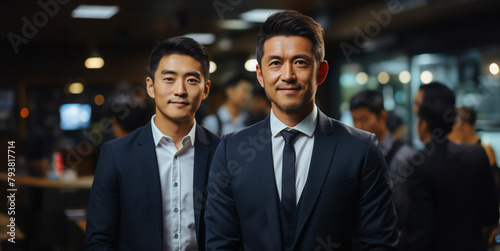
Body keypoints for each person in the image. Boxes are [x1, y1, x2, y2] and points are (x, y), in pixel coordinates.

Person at [204, 10, 398, 250]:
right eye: (275, 63)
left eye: (300, 62)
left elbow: (378, 243)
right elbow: (221, 244)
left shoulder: (360, 149)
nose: (287, 75)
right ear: (260, 75)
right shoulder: (230, 150)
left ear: (321, 72)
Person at [85, 36, 220, 250]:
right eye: (169, 79)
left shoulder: (222, 153)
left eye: (192, 80)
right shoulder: (116, 154)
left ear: (205, 89)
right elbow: (99, 240)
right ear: (150, 86)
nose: (180, 91)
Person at [402, 82, 499, 250]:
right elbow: (490, 216)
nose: (413, 110)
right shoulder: (478, 155)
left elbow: (421, 233)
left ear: (423, 122)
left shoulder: (420, 163)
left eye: (417, 104)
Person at [349, 90, 415, 234]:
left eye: (364, 119)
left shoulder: (404, 157)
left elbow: (406, 212)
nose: (358, 126)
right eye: (355, 120)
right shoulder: (354, 155)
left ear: (382, 116)